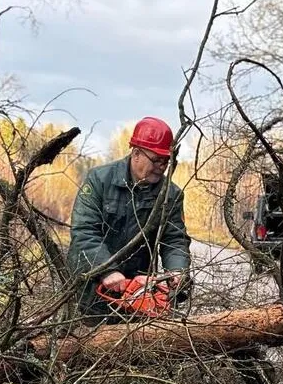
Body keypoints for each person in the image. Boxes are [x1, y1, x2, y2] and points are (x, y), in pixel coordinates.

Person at [67, 116, 192, 323]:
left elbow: (174, 240)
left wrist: (177, 272)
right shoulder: (99, 180)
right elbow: (84, 232)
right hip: (91, 285)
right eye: (156, 160)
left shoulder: (170, 194)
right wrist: (106, 270)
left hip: (139, 291)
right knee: (87, 344)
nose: (161, 167)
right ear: (136, 154)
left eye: (165, 161)